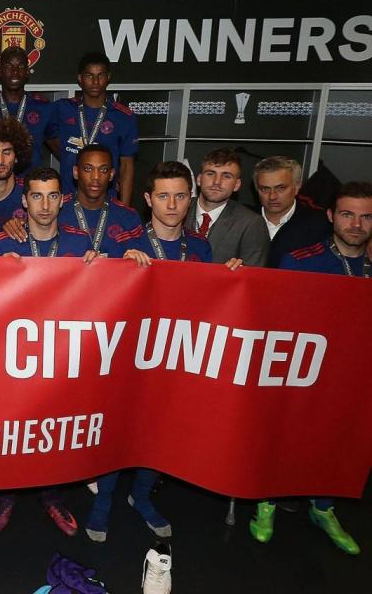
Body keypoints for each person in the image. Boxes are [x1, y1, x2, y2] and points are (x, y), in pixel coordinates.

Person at [88, 162, 241, 547]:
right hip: (129, 359)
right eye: (162, 195)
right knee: (115, 431)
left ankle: (140, 497)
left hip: (176, 359)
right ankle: (103, 500)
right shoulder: (123, 242)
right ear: (147, 199)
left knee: (160, 435)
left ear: (190, 199)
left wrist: (233, 278)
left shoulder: (201, 247)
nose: (171, 204)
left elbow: (211, 303)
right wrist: (111, 266)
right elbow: (93, 294)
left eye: (179, 195)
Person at [249, 181, 372, 556]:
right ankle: (266, 500)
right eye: (348, 214)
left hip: (356, 377)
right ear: (332, 216)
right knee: (288, 435)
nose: (356, 224)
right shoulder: (302, 260)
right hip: (304, 370)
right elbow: (279, 322)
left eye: (366, 217)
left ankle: (323, 507)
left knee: (339, 442)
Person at [0, 167, 90, 537]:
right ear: (24, 201)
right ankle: (7, 492)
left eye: (51, 196)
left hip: (60, 355)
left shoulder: (82, 245)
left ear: (63, 199)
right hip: (14, 355)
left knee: (55, 430)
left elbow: (111, 289)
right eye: (36, 196)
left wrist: (124, 262)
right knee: (13, 427)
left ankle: (52, 495)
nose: (44, 205)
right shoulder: (3, 244)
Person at [2, 145, 144, 258]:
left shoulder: (129, 217)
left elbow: (142, 264)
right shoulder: (54, 209)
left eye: (103, 170)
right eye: (88, 169)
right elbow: (32, 226)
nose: (95, 177)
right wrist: (14, 224)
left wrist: (135, 262)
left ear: (112, 174)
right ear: (76, 172)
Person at [51, 52, 137, 205]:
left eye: (101, 75)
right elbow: (44, 130)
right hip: (67, 198)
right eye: (89, 76)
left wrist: (124, 207)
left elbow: (126, 165)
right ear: (80, 78)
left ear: (108, 77)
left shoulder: (124, 117)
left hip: (106, 200)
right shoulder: (63, 108)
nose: (95, 81)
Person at [187, 148, 269, 266]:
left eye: (226, 176)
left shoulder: (250, 223)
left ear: (236, 185)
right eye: (210, 174)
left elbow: (253, 277)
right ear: (199, 179)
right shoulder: (179, 209)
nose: (216, 182)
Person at [253, 156, 331, 268]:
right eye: (265, 189)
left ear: (297, 186)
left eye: (281, 188)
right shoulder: (241, 220)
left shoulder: (319, 224)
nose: (272, 196)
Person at [0, 46, 56, 169]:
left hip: (30, 184)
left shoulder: (43, 108)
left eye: (20, 67)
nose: (15, 71)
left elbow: (61, 152)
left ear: (27, 72)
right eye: (9, 66)